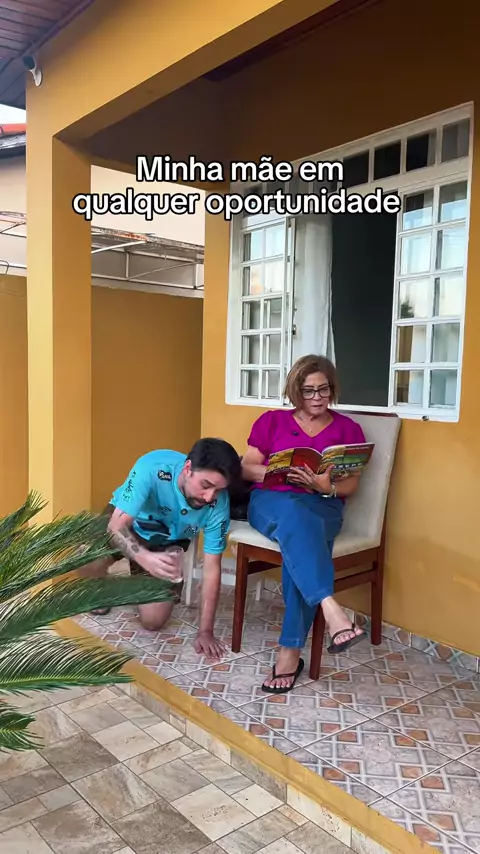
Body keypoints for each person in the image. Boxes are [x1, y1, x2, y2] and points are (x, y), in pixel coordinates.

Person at [241, 354, 367, 694]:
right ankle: (330, 610)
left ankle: (291, 651)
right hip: (271, 503)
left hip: (322, 506)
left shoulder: (348, 430)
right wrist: (281, 473)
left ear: (332, 389)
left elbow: (351, 485)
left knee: (301, 535)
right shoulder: (271, 421)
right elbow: (246, 467)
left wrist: (325, 486)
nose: (317, 397)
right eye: (309, 390)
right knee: (297, 521)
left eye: (323, 389)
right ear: (296, 391)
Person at [81, 438, 241, 660]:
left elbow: (212, 567)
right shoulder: (153, 467)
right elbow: (116, 526)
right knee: (85, 559)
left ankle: (139, 579)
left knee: (153, 621)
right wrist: (144, 557)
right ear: (188, 469)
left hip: (165, 541)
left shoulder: (218, 504)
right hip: (128, 522)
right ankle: (101, 584)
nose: (209, 497)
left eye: (219, 490)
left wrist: (206, 632)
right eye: (206, 485)